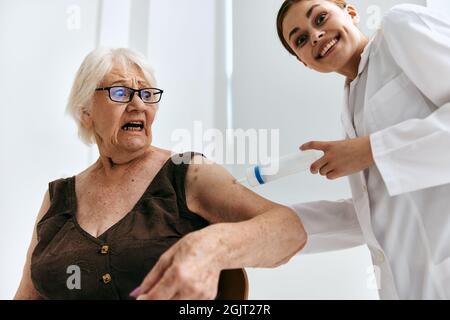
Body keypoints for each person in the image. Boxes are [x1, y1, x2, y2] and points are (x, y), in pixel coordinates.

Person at [14, 48, 307, 300]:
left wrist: (210, 246)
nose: (139, 105)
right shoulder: (58, 197)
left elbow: (289, 230)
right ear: (85, 112)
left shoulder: (186, 172)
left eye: (146, 94)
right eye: (120, 92)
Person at [276, 0, 450, 299]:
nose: (315, 35)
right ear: (303, 61)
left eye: (320, 17)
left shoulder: (399, 27)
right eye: (301, 39)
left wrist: (370, 150)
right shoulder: (350, 108)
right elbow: (371, 214)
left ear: (351, 12)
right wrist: (270, 221)